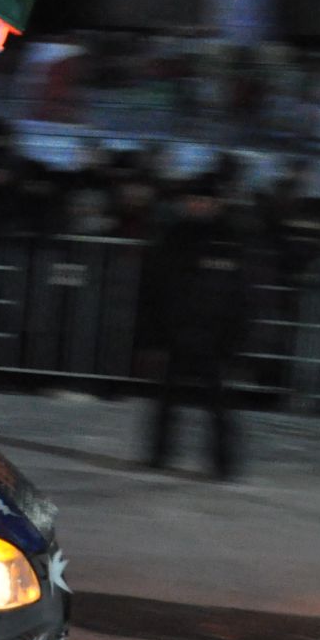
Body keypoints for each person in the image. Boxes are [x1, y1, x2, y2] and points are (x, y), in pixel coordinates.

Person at [137, 179, 253, 479]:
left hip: (214, 335)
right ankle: (159, 456)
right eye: (194, 200)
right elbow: (153, 289)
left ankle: (224, 465)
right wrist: (153, 335)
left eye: (204, 201)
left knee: (219, 406)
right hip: (177, 330)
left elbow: (243, 295)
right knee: (167, 401)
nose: (198, 205)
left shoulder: (230, 240)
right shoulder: (173, 237)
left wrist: (237, 339)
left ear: (217, 205)